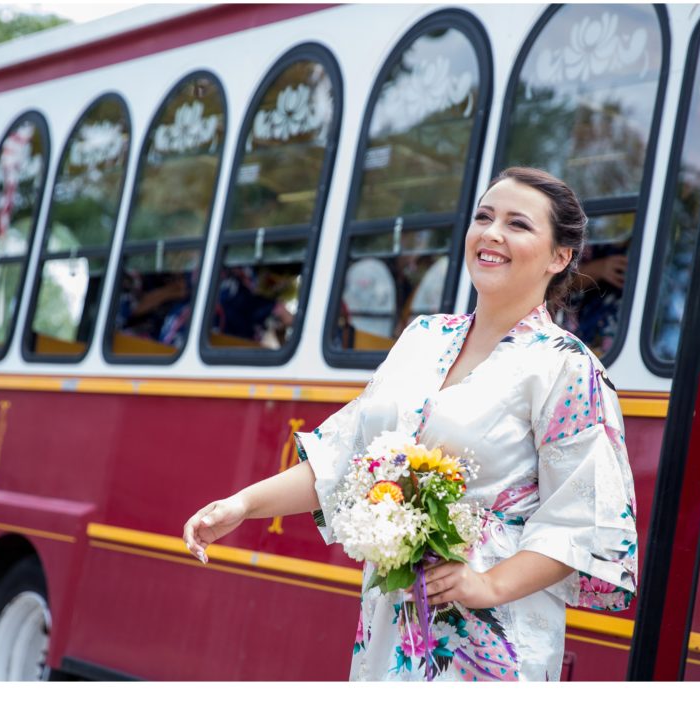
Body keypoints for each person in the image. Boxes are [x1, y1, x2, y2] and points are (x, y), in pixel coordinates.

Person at [183, 167, 638, 681]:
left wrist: (487, 586)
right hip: (392, 624)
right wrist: (242, 505)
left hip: (491, 642)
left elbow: (584, 519)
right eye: (484, 217)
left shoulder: (567, 366)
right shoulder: (423, 337)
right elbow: (346, 458)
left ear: (560, 257)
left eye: (517, 224)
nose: (491, 233)